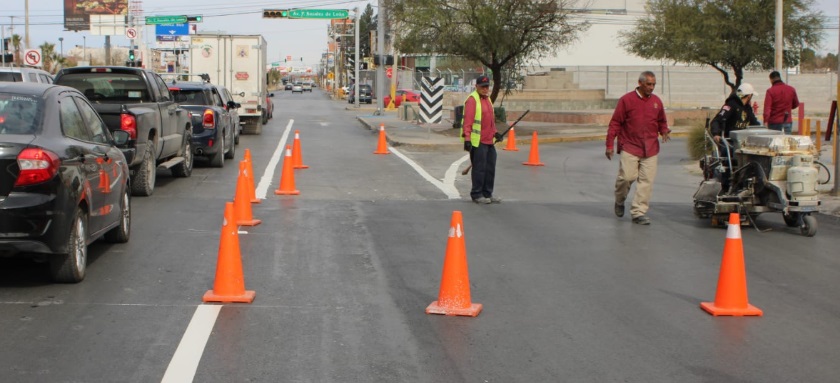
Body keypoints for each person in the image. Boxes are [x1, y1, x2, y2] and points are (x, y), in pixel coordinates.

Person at [605, 71, 670, 225]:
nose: (651, 87)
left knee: (646, 181)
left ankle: (638, 212)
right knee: (626, 177)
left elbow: (661, 121)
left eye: (654, 84)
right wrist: (609, 145)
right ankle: (619, 200)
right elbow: (615, 123)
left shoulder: (656, 101)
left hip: (651, 148)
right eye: (649, 84)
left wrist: (664, 130)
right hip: (630, 146)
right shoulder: (626, 100)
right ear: (640, 83)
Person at [462, 75, 502, 204]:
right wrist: (467, 139)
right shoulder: (472, 100)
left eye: (487, 87)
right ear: (476, 86)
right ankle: (477, 194)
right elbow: (467, 122)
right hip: (478, 141)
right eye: (482, 87)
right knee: (479, 168)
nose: (485, 89)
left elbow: (490, 121)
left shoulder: (487, 100)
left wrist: (496, 133)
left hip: (489, 140)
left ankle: (487, 193)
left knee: (490, 168)